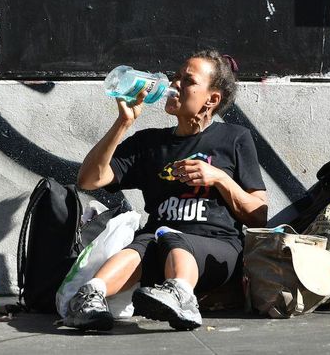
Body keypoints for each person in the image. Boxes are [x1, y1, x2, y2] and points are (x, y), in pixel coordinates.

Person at [68, 50, 267, 331]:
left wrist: (220, 178)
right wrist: (123, 122)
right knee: (144, 243)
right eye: (175, 77)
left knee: (170, 237)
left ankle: (181, 294)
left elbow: (259, 215)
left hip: (218, 250)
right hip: (158, 247)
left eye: (188, 81)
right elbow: (89, 180)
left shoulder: (234, 138)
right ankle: (90, 296)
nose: (175, 85)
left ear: (211, 99)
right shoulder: (149, 143)